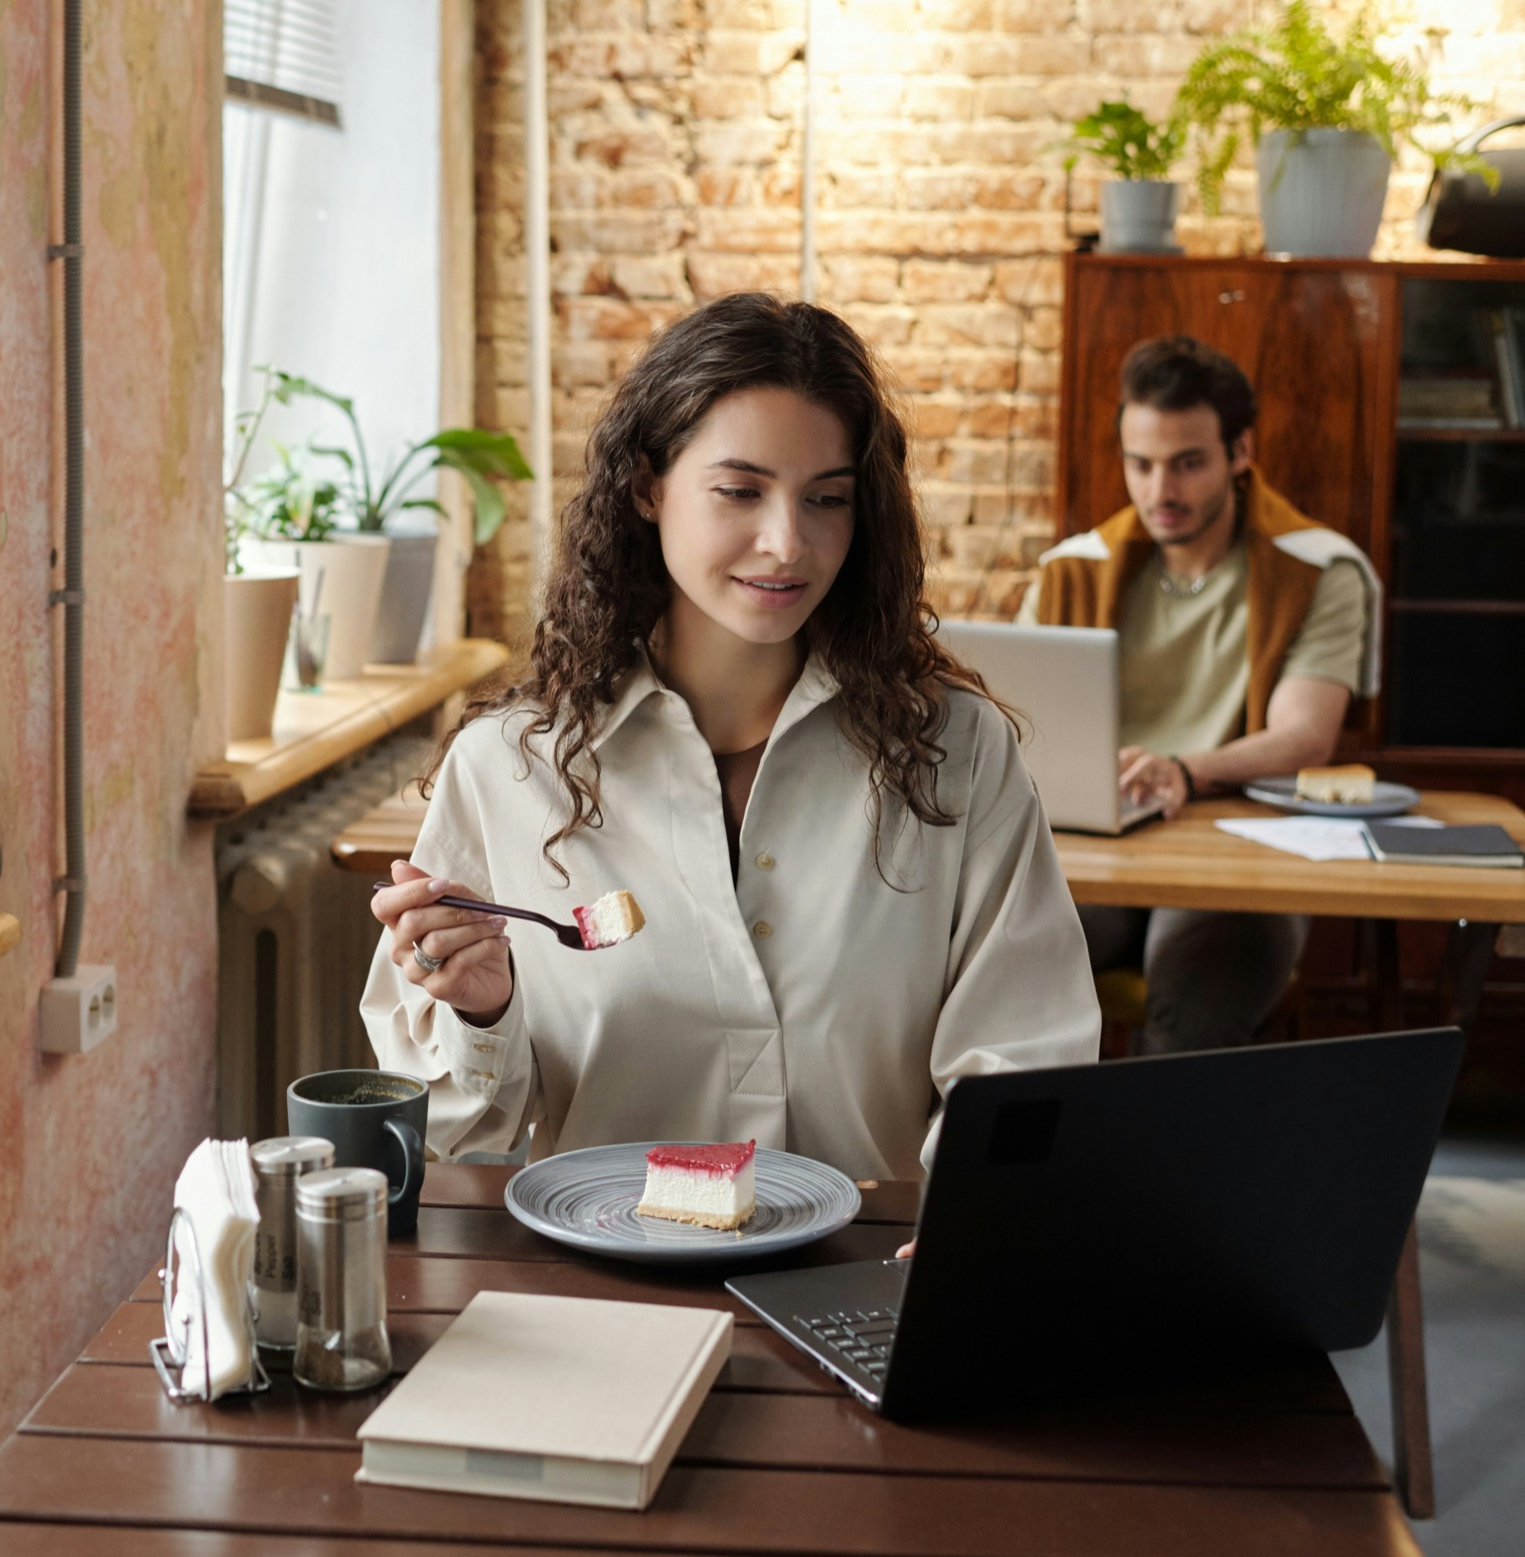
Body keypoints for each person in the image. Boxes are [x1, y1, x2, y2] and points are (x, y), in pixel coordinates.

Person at [362, 292, 1100, 1179]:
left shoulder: (956, 754)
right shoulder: (508, 771)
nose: (787, 542)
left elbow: (1025, 1056)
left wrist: (969, 1221)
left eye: (826, 499)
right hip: (604, 1293)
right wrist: (483, 1016)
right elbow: (454, 1136)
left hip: (868, 1281)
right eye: (739, 491)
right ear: (647, 486)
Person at [1017, 334, 1381, 1054]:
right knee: (1006, 973)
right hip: (1097, 852)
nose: (1160, 492)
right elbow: (1014, 725)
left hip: (1240, 856)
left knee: (1195, 1003)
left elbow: (1305, 736)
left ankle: (1161, 1168)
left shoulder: (1319, 569)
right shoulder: (1070, 572)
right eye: (1140, 464)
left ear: (1239, 453)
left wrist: (1183, 772)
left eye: (1186, 463)